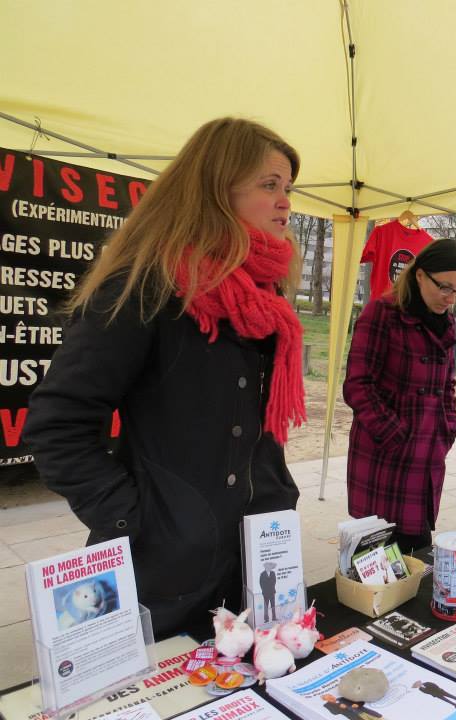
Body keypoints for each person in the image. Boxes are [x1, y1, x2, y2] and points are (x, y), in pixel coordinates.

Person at [23, 118, 305, 638]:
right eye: (269, 185)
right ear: (216, 189)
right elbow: (57, 425)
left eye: (287, 188)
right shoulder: (143, 288)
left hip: (256, 565)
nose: (286, 202)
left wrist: (274, 493)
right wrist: (134, 518)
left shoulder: (263, 297)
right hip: (161, 572)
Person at [343, 238, 456, 553]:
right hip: (383, 460)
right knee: (374, 567)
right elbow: (358, 385)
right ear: (420, 275)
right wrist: (396, 434)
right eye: (445, 287)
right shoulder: (382, 313)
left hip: (426, 461)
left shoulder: (447, 323)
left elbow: (446, 384)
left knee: (417, 558)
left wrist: (449, 425)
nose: (451, 298)